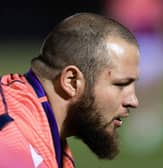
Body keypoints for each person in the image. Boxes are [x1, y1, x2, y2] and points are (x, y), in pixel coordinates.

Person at [0, 12, 140, 168]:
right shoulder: (14, 148)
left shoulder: (37, 123)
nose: (133, 101)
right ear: (71, 81)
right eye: (120, 84)